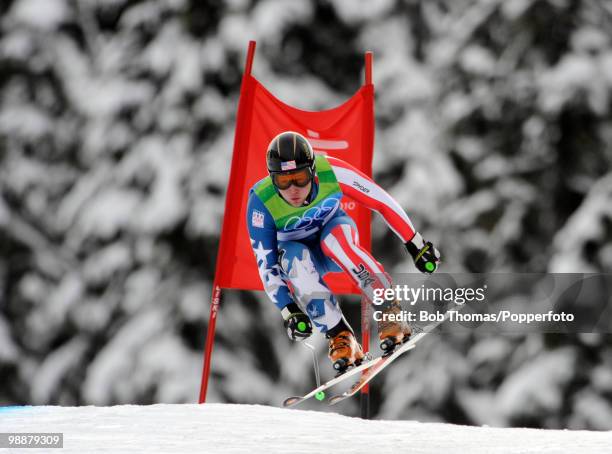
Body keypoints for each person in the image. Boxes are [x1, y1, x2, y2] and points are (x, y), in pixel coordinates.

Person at [246, 131, 440, 373]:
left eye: (301, 177)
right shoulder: (261, 202)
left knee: (335, 241)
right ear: (272, 179)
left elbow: (380, 200)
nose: (294, 189)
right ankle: (340, 337)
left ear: (313, 170)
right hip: (304, 258)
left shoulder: (332, 171)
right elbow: (266, 263)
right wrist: (290, 310)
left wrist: (415, 243)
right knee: (292, 257)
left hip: (334, 234)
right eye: (284, 181)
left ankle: (390, 311)